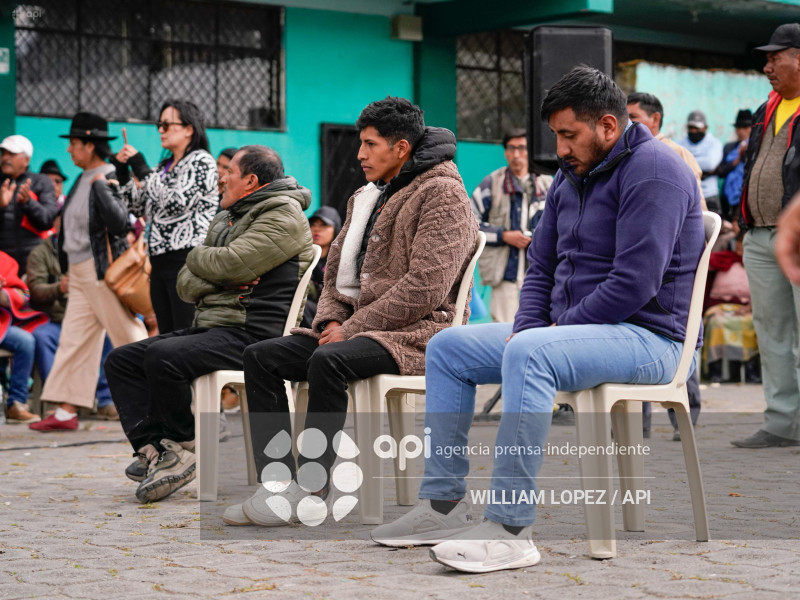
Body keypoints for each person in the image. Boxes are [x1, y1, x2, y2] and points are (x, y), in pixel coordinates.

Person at [370, 67, 705, 574]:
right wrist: (532, 327)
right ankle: (442, 505)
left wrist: (549, 334)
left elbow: (635, 283)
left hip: (650, 337)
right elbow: (542, 267)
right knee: (448, 348)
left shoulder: (655, 172)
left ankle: (509, 529)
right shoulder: (573, 178)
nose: (560, 148)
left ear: (609, 127)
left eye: (569, 135)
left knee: (531, 351)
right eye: (556, 135)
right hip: (574, 330)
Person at [221, 96, 478, 528]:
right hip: (360, 330)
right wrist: (335, 321)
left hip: (418, 332)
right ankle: (278, 486)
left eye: (370, 144)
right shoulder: (367, 195)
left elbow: (427, 288)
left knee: (329, 360)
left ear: (401, 148)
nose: (360, 154)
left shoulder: (443, 193)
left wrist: (354, 326)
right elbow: (335, 273)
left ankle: (312, 488)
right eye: (360, 143)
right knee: (261, 357)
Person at [104, 145, 313, 503]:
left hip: (254, 334)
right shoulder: (227, 216)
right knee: (121, 360)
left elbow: (229, 263)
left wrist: (201, 259)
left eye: (229, 170)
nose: (222, 175)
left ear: (250, 180)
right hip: (215, 325)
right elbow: (186, 285)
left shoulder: (284, 215)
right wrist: (218, 272)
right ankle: (155, 449)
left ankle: (184, 446)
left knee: (163, 356)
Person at [30, 112, 148, 432]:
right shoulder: (84, 177)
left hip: (101, 270)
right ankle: (66, 412)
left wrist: (109, 187)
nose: (69, 150)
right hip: (80, 269)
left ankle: (160, 395)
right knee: (75, 339)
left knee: (127, 334)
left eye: (73, 144)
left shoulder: (109, 175)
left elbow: (120, 223)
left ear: (88, 145)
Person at [732, 23, 800, 448]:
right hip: (759, 236)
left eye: (776, 57)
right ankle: (781, 423)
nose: (767, 65)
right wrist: (745, 225)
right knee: (771, 330)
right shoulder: (766, 108)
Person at [626, 91, 705, 440]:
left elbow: (696, 215)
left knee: (675, 334)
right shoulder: (624, 155)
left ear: (655, 120)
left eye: (635, 118)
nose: (629, 125)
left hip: (672, 267)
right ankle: (635, 424)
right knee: (632, 335)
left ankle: (684, 419)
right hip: (637, 259)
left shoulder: (677, 155)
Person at [113, 99, 218, 334]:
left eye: (166, 125)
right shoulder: (163, 166)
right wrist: (123, 172)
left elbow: (175, 203)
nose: (160, 130)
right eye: (159, 125)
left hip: (187, 260)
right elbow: (140, 207)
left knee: (183, 333)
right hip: (159, 261)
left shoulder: (202, 162)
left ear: (189, 129)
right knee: (167, 333)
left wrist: (141, 167)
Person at [26, 208, 118, 420]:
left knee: (109, 334)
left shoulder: (92, 250)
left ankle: (106, 401)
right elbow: (35, 292)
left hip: (89, 320)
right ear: (56, 223)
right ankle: (58, 403)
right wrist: (60, 288)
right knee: (41, 336)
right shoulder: (39, 253)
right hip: (55, 320)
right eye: (66, 220)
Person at [471, 129, 552, 323]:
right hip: (503, 276)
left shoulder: (548, 184)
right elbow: (470, 225)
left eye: (522, 148)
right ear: (505, 152)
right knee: (503, 329)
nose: (516, 155)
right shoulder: (491, 183)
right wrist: (504, 235)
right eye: (511, 148)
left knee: (539, 328)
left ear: (530, 151)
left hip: (541, 275)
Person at [0, 251, 48, 425]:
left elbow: (24, 294)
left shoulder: (4, 260)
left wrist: (2, 294)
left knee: (25, 341)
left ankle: (16, 403)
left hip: (1, 325)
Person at [0, 135, 58, 275]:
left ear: (26, 160)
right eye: (3, 153)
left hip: (33, 264)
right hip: (3, 266)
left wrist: (28, 203)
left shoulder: (41, 182)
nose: (5, 158)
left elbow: (48, 221)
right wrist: (1, 206)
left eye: (12, 154)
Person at [300, 205, 342, 327]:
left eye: (324, 225)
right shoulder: (301, 255)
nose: (317, 229)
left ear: (336, 229)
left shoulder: (341, 259)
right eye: (313, 224)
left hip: (330, 315)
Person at [677, 110, 723, 216]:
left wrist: (685, 161)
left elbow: (710, 163)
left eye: (697, 128)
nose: (693, 131)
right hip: (686, 195)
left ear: (705, 128)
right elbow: (674, 163)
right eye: (691, 128)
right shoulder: (679, 142)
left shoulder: (714, 143)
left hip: (709, 195)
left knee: (711, 230)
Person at [716, 110, 752, 221]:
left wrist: (745, 155)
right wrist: (736, 160)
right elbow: (721, 172)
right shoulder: (729, 148)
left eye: (745, 128)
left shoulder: (755, 149)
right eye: (738, 128)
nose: (741, 131)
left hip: (746, 197)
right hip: (727, 198)